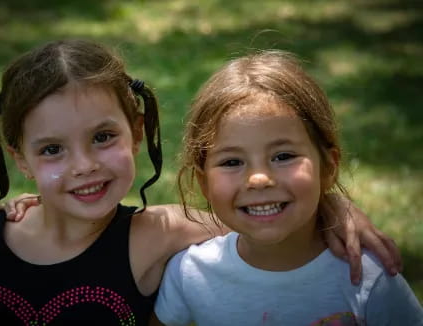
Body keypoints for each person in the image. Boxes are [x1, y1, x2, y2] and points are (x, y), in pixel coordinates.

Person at [0, 39, 401, 326]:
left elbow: (270, 213)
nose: (83, 166)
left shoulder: (163, 233)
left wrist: (335, 207)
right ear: (22, 159)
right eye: (52, 150)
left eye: (102, 137)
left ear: (137, 133)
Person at [154, 50, 423, 325]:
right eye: (232, 161)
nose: (259, 178)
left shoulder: (368, 276)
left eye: (283, 156)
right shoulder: (189, 275)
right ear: (204, 183)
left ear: (328, 167)